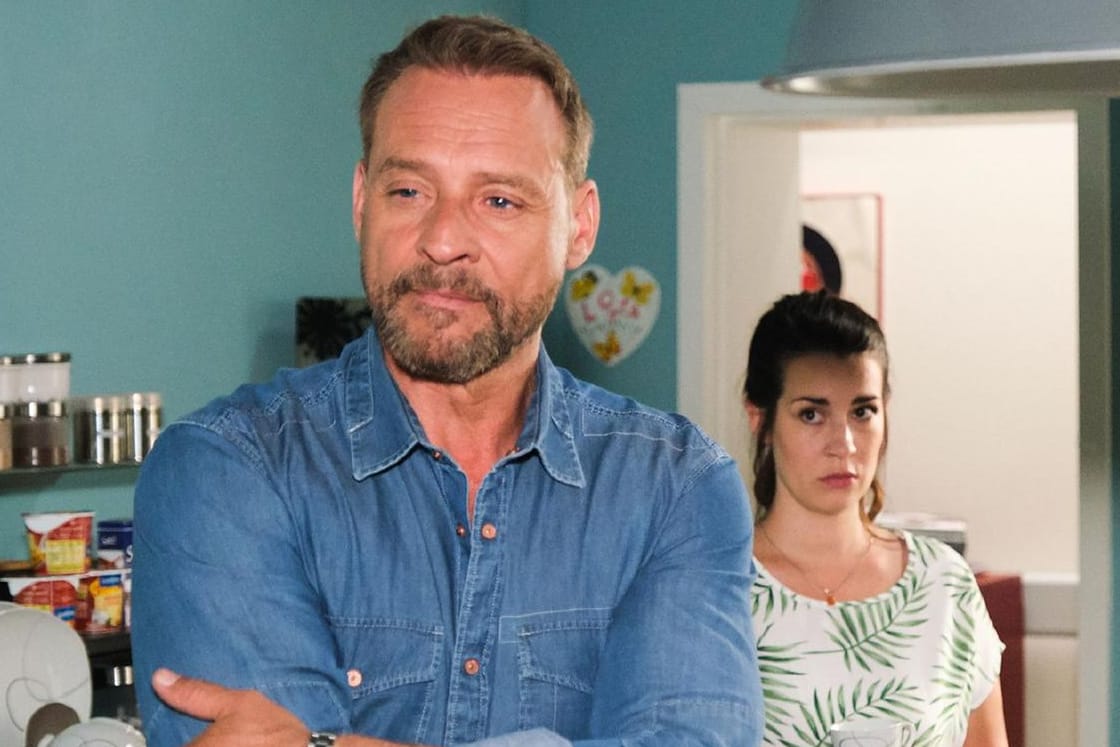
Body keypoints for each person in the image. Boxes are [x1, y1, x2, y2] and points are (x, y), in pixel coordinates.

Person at [131, 14, 763, 747]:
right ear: (361, 200)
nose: (441, 241)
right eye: (408, 191)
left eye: (499, 200)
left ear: (579, 226)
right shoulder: (226, 467)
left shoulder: (674, 488)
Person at [742, 290, 1008, 747]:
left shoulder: (944, 585)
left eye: (862, 411)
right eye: (811, 414)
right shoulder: (720, 588)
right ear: (760, 420)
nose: (844, 443)